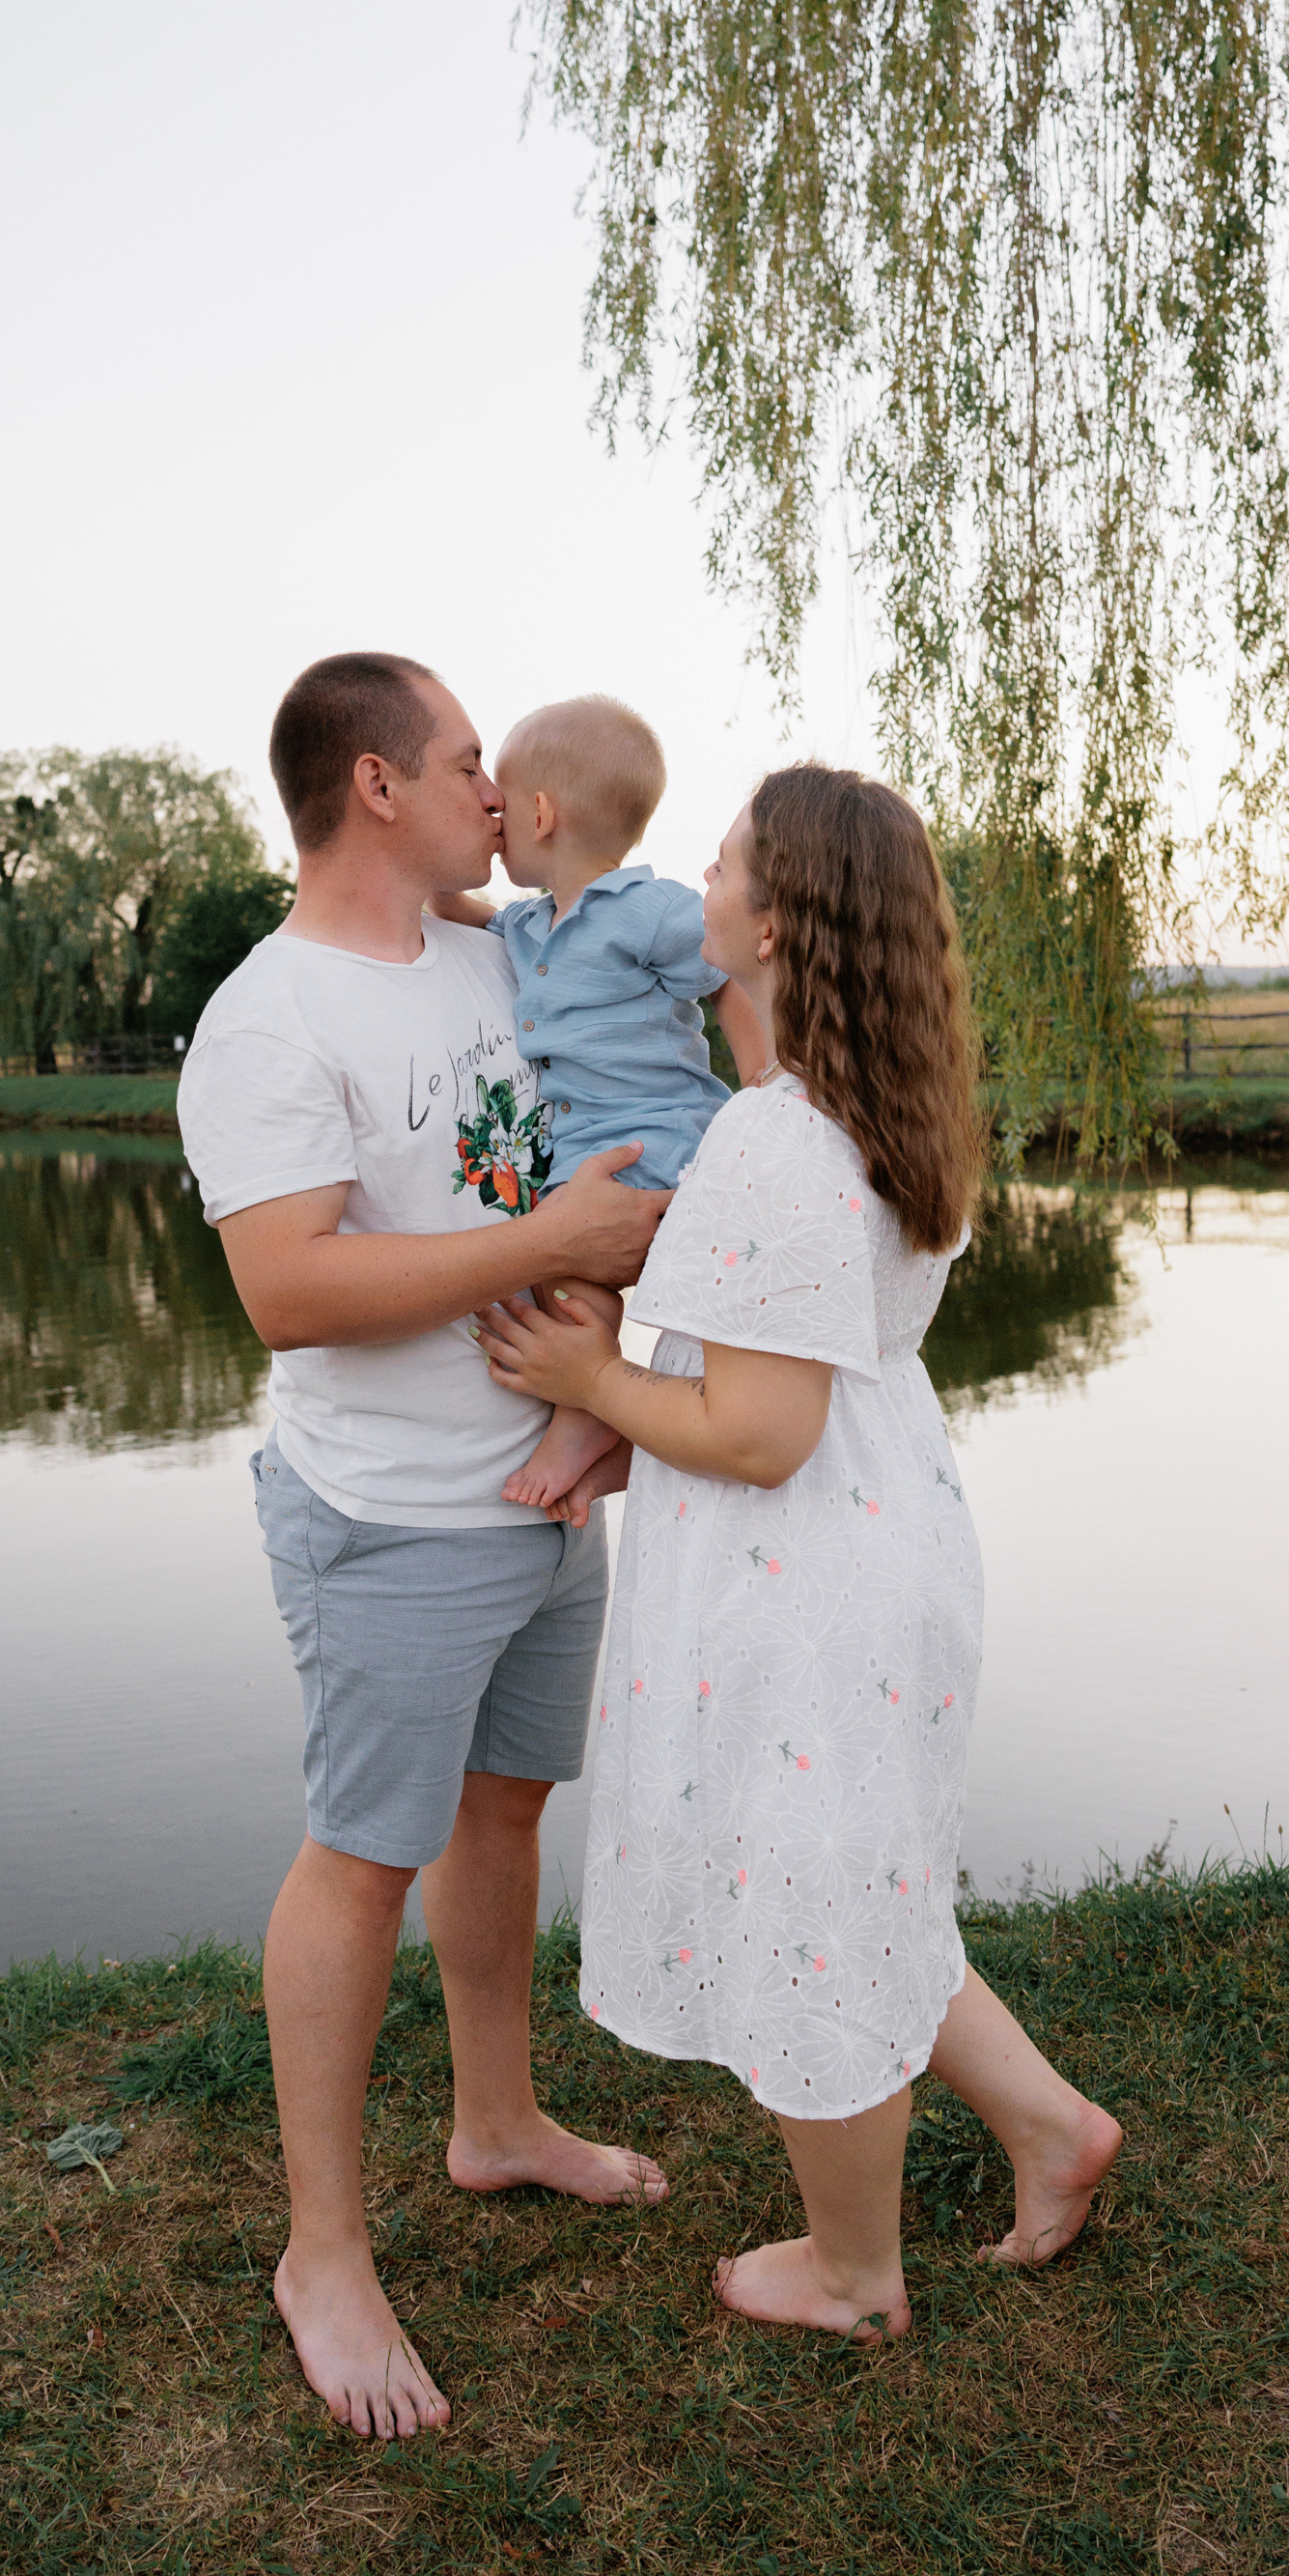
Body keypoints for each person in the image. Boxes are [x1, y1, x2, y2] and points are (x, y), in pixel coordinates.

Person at [473, 763, 1124, 2338]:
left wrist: (587, 1384)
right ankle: (1055, 2127)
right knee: (855, 1876)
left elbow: (764, 1431)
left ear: (778, 920)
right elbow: (797, 1376)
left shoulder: (776, 1141)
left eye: (720, 865)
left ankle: (854, 2275)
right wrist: (633, 1407)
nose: (695, 886)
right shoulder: (889, 1111)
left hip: (801, 1571)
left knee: (813, 1909)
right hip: (881, 1528)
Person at [177, 651, 673, 2443]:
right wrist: (569, 1247)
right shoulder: (268, 1020)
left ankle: (495, 2123)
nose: (497, 785)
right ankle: (323, 2252)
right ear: (376, 784)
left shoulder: (492, 953)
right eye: (469, 757)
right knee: (362, 1857)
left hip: (546, 1489)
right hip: (391, 1525)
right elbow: (291, 1287)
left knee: (505, 1811)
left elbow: (630, 962)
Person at [433, 693, 766, 1512]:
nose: (491, 815)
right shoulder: (530, 926)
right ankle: (610, 1414)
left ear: (539, 814)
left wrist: (766, 1092)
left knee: (569, 1264)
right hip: (588, 1144)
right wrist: (436, 863)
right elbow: (461, 910)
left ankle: (587, 1412)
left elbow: (728, 974)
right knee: (557, 1257)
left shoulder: (648, 910)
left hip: (655, 1129)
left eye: (498, 804)